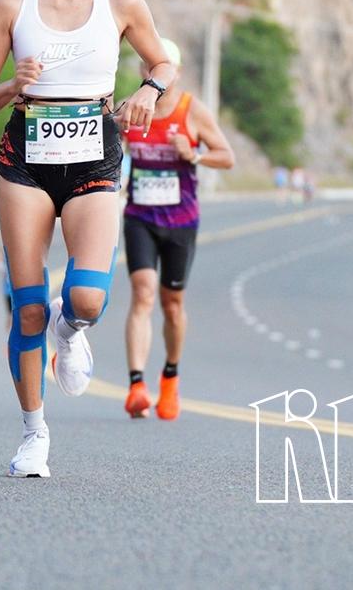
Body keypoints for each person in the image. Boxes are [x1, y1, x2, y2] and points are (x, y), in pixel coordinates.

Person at [0, 0, 175, 478]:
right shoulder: (11, 5)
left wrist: (149, 89)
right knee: (27, 307)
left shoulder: (122, 2)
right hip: (25, 157)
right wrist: (12, 84)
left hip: (95, 155)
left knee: (86, 298)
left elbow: (163, 62)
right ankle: (34, 433)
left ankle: (72, 328)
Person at [120, 38, 234, 420]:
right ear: (143, 71)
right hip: (139, 216)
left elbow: (227, 156)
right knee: (142, 292)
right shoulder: (132, 108)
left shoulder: (191, 111)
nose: (154, 73)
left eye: (164, 67)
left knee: (172, 304)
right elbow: (112, 150)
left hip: (181, 221)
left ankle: (170, 376)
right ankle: (136, 386)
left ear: (177, 72)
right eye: (148, 66)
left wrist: (194, 154)